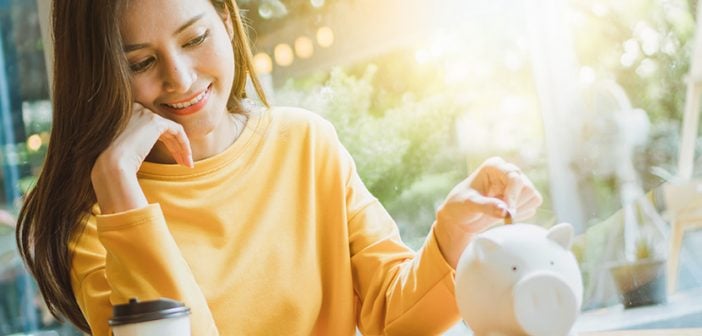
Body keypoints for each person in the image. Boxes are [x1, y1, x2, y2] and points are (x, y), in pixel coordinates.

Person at [15, 0, 543, 335]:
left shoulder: (306, 143)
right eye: (141, 63)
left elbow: (392, 315)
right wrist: (119, 190)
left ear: (225, 19)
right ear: (104, 74)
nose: (179, 78)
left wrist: (450, 237)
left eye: (195, 39)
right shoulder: (101, 221)